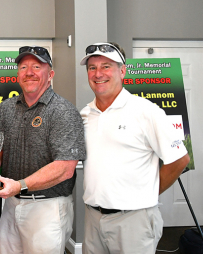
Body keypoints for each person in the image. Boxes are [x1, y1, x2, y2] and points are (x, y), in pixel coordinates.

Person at [79, 42, 190, 254]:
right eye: (92, 68)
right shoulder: (85, 114)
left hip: (134, 220)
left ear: (122, 71)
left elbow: (180, 160)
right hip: (93, 219)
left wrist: (148, 193)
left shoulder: (146, 111)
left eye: (106, 66)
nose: (98, 73)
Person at [0, 46, 86, 254]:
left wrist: (20, 185)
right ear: (17, 74)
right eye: (24, 66)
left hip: (47, 208)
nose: (29, 72)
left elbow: (65, 168)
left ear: (50, 75)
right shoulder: (6, 108)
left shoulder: (64, 111)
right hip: (11, 204)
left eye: (37, 66)